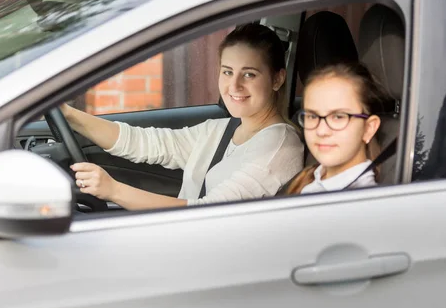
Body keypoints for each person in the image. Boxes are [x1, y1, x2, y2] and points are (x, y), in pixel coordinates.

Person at [61, 23, 304, 210]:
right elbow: (145, 143)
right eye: (227, 72)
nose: (234, 86)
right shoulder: (220, 130)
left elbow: (210, 215)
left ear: (277, 79)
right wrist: (69, 115)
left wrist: (113, 190)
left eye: (249, 75)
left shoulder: (279, 145)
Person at [283, 62, 385, 194]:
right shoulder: (310, 178)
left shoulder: (361, 203)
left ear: (368, 128)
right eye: (312, 116)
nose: (321, 131)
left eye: (338, 117)